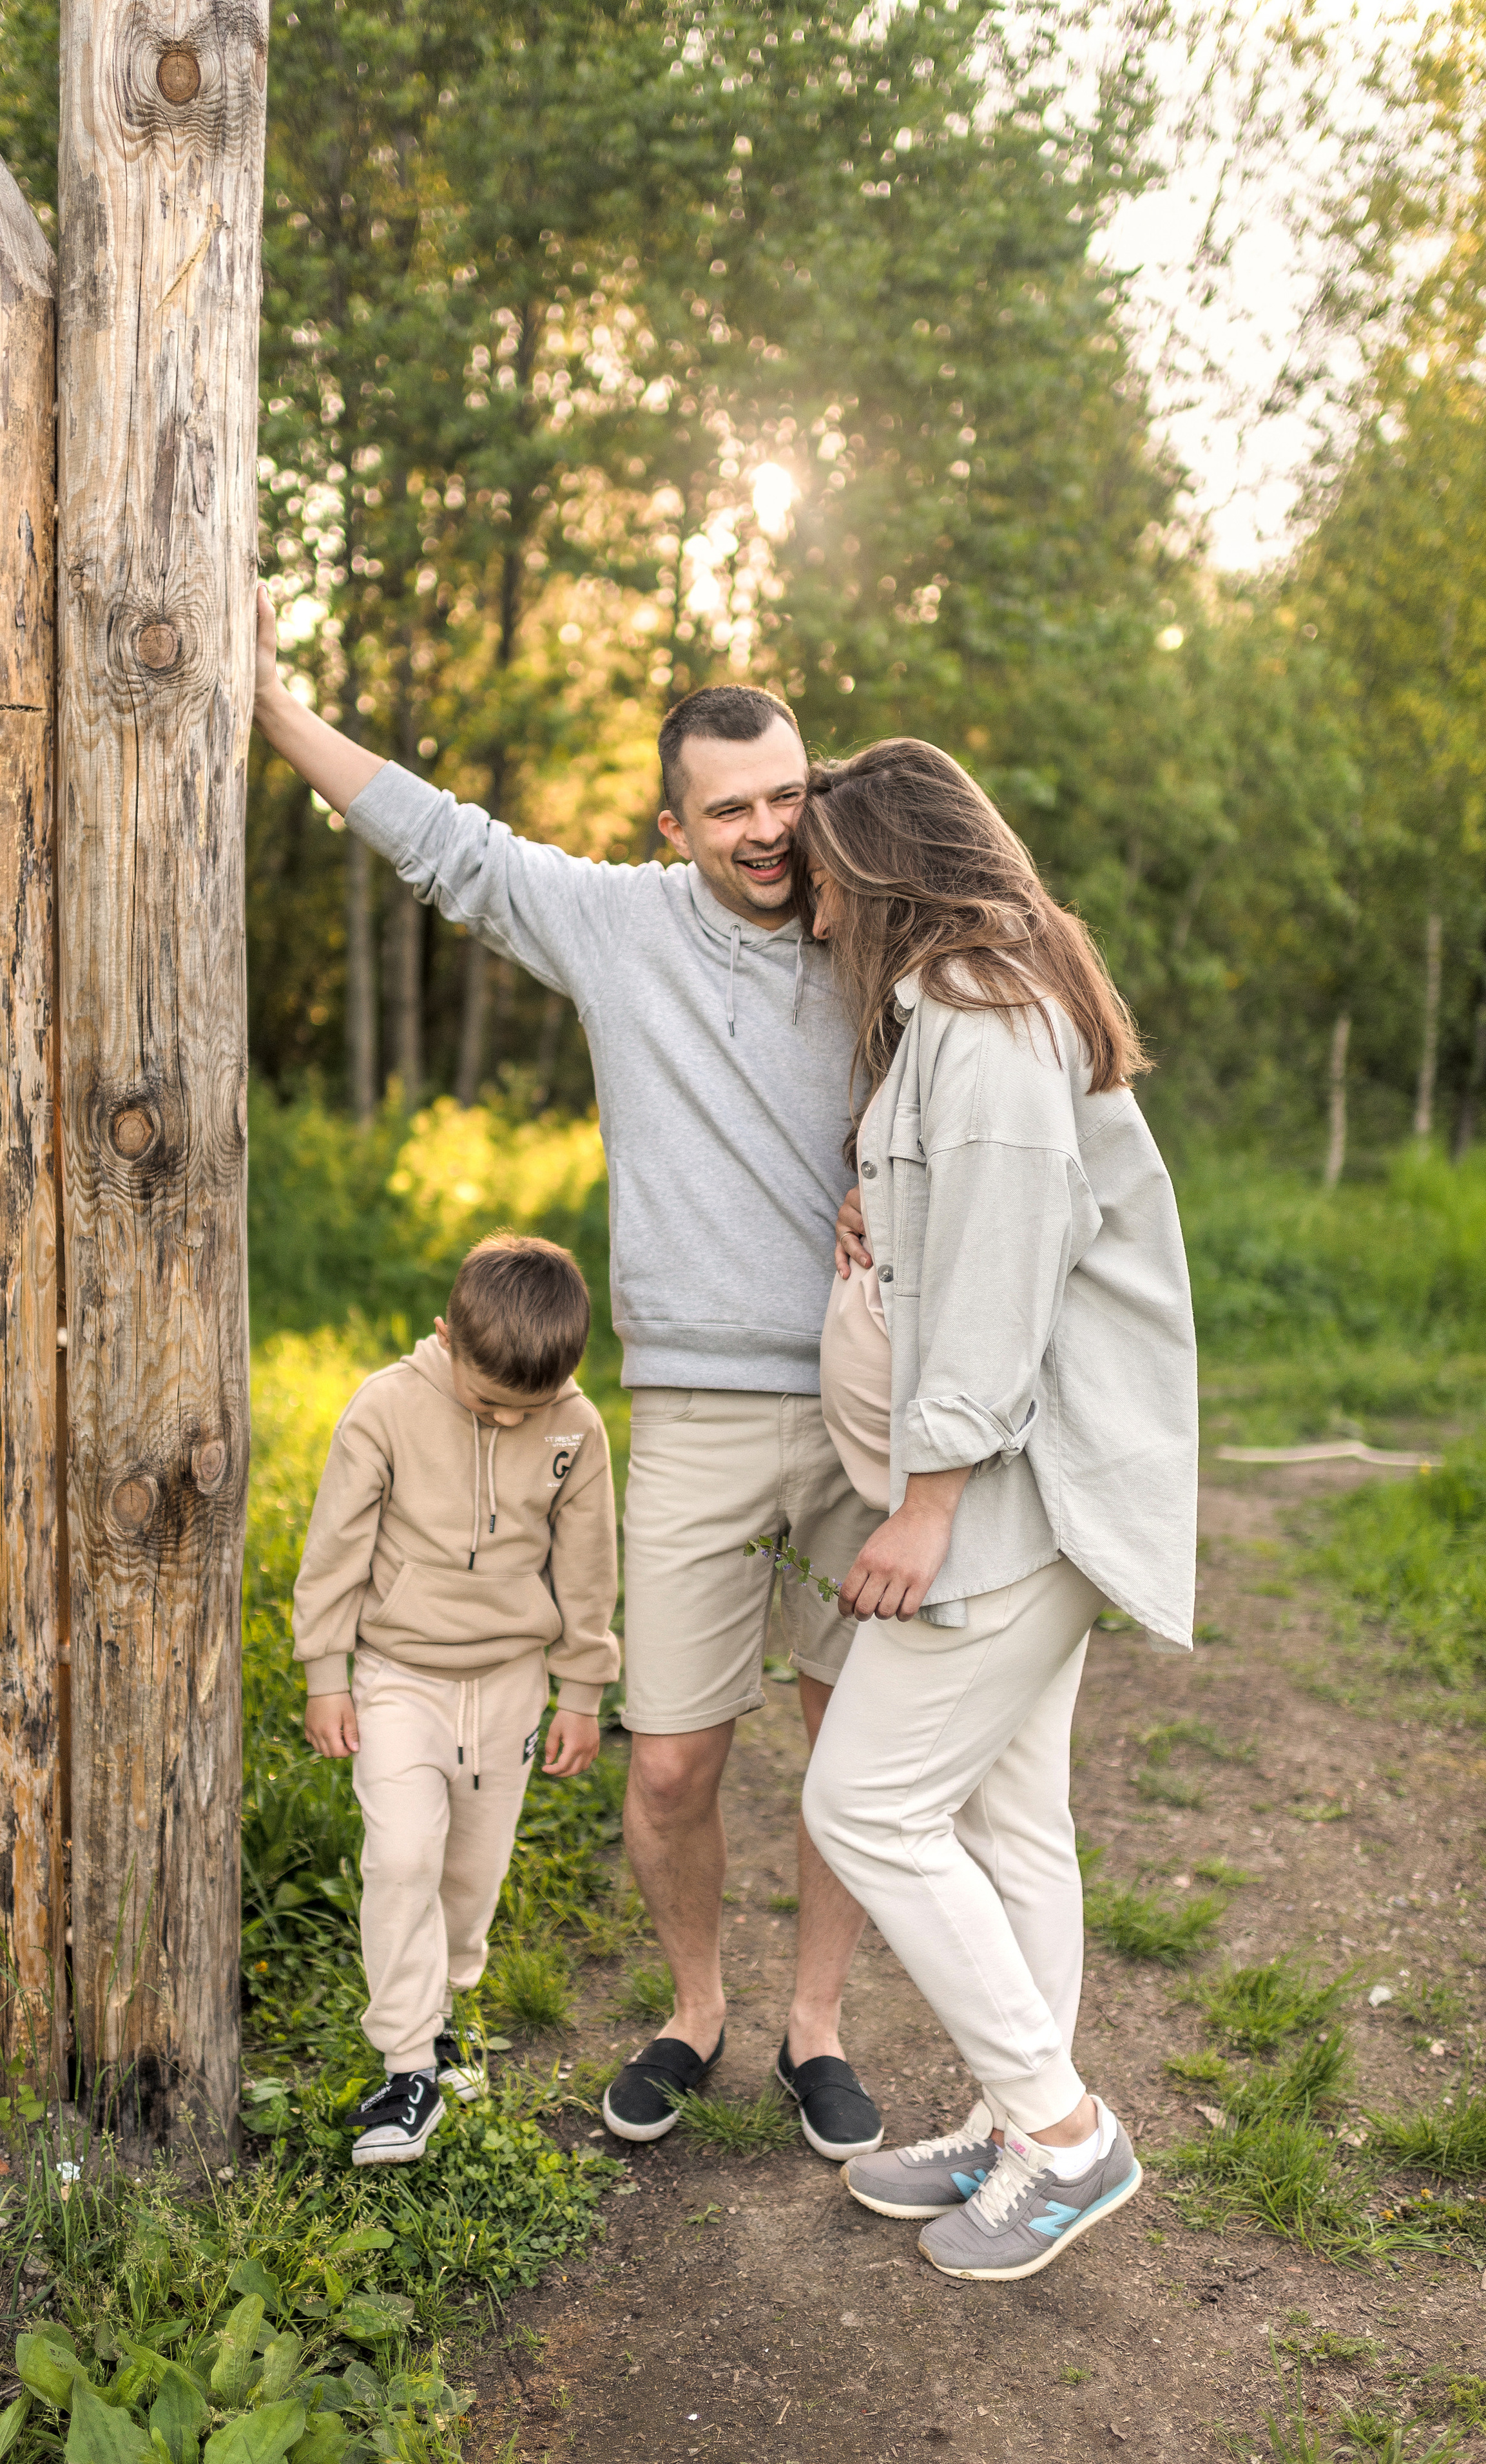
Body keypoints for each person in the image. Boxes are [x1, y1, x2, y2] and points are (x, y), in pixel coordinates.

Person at [253, 586, 885, 2162]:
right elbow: (444, 844)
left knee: (849, 1747)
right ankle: (696, 2008)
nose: (766, 831)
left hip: (869, 1398)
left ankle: (815, 2027)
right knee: (667, 1759)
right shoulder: (614, 926)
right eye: (729, 807)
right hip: (689, 1404)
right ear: (669, 824)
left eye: (787, 797)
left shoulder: (875, 924)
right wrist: (272, 707)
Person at [793, 737, 1198, 2281]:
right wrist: (875, 1207)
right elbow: (965, 1224)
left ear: (883, 872)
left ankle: (1065, 2132)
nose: (815, 913)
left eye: (826, 881)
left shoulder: (982, 1020)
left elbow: (997, 1290)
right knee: (1010, 1816)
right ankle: (1008, 2122)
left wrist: (925, 1501)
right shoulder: (963, 1018)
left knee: (863, 1804)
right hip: (1006, 1492)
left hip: (1009, 1499)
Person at [293, 1232, 619, 2165]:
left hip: (511, 1686)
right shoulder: (385, 1408)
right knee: (401, 1857)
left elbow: (589, 1565)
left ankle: (443, 2016)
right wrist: (326, 1671)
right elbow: (333, 1548)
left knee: (471, 1874)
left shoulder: (576, 1427)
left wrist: (582, 1689)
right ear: (447, 1338)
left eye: (532, 1409)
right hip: (401, 1676)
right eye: (488, 1404)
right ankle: (405, 2064)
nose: (511, 1424)